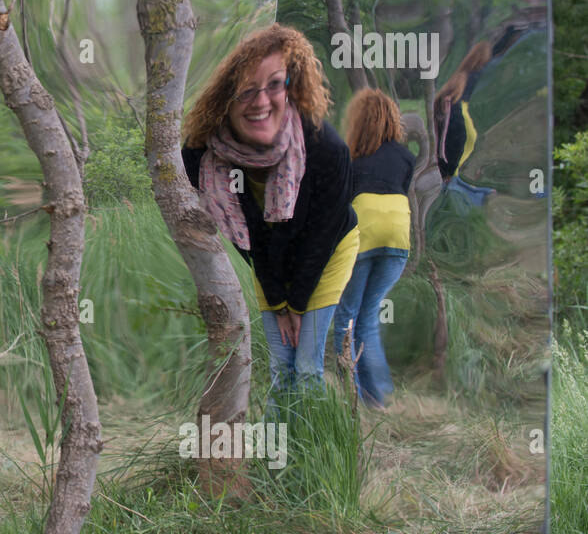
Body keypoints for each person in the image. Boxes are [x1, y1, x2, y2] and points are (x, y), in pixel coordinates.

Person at [182, 23, 358, 402]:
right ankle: (275, 457)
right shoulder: (205, 157)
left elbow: (319, 238)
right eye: (246, 90)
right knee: (282, 367)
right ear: (225, 98)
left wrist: (295, 307)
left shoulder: (327, 150)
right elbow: (251, 240)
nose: (261, 101)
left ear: (291, 85)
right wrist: (278, 304)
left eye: (274, 84)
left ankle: (312, 458)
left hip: (326, 254)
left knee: (307, 366)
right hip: (269, 260)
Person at [332, 88, 415, 409]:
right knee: (369, 315)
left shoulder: (352, 157)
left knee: (346, 317)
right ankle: (377, 397)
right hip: (397, 238)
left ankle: (351, 396)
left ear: (359, 121)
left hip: (363, 235)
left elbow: (340, 203)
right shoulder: (406, 157)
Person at [434, 40, 494, 206]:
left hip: (454, 173)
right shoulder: (474, 79)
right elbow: (453, 140)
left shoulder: (458, 80)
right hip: (454, 177)